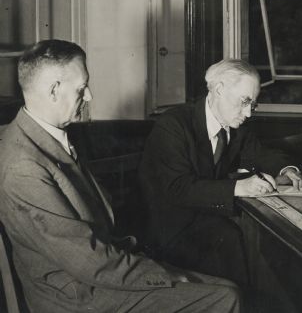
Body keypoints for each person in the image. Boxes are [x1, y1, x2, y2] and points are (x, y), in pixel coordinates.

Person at [0, 39, 240, 313]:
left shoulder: (38, 134)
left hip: (96, 275)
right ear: (54, 90)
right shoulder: (22, 166)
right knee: (224, 297)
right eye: (82, 88)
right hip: (77, 298)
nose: (89, 96)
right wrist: (166, 275)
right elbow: (90, 262)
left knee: (224, 286)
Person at [138, 59, 302, 289]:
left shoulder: (233, 125)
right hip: (169, 230)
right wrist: (238, 187)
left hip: (206, 219)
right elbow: (177, 188)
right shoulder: (174, 125)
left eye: (253, 104)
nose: (248, 113)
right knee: (237, 241)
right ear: (219, 89)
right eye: (245, 101)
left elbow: (261, 154)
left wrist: (287, 169)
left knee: (257, 242)